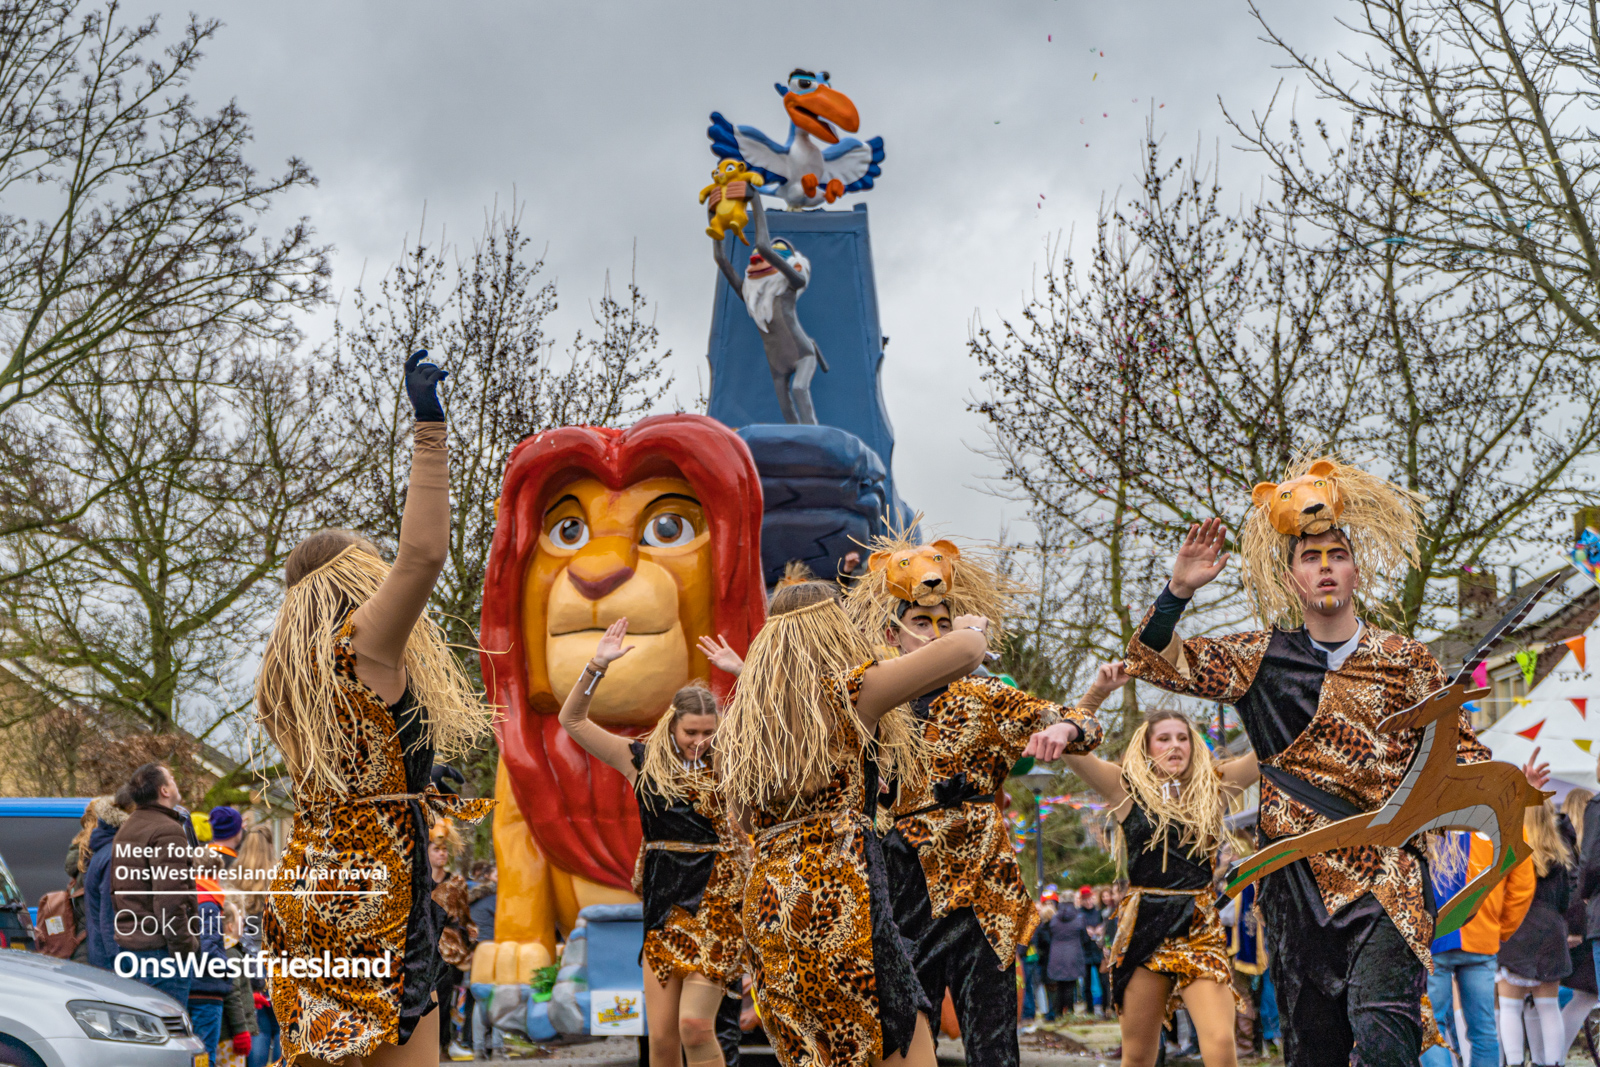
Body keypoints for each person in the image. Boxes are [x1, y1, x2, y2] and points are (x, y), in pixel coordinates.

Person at [1121, 457, 1500, 1067]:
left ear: (1355, 569)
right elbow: (1153, 659)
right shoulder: (1261, 657)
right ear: (1293, 576)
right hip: (1294, 880)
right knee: (1313, 1046)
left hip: (1387, 874)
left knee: (1386, 1039)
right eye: (1309, 558)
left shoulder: (1407, 661)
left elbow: (1460, 757)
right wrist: (1179, 591)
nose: (1325, 567)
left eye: (1337, 555)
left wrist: (1491, 789)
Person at [254, 350, 494, 1067]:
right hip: (370, 899)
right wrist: (429, 428)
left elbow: (363, 765)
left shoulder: (292, 684)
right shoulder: (356, 649)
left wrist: (419, 778)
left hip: (322, 886)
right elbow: (422, 555)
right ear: (357, 581)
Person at [841, 533, 1103, 1066]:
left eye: (945, 625)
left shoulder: (985, 696)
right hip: (902, 889)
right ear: (892, 633)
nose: (936, 636)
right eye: (921, 624)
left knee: (993, 1049)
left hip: (983, 891)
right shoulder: (872, 701)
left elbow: (1075, 721)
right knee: (906, 1046)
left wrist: (1071, 727)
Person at [718, 580, 989, 1067]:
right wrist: (970, 628)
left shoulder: (746, 724)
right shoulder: (848, 694)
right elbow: (966, 651)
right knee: (899, 1037)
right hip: (840, 892)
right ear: (830, 628)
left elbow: (739, 818)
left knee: (814, 1052)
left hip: (770, 902)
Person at [560, 619, 745, 1067]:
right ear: (672, 726)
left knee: (695, 1027)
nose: (700, 742)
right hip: (663, 907)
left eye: (708, 732)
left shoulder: (736, 760)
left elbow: (789, 722)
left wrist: (745, 673)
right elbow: (572, 720)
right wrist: (596, 666)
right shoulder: (639, 762)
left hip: (718, 904)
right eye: (691, 732)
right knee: (661, 1041)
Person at [1057, 665, 1259, 1067]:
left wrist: (1261, 691)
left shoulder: (1215, 788)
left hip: (1198, 925)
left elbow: (1267, 750)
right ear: (1147, 747)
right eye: (1164, 738)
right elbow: (1070, 748)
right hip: (1145, 925)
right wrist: (1097, 691)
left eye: (1183, 738)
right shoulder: (1124, 788)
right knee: (1139, 1055)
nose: (1175, 745)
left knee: (1220, 1044)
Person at [1419, 827, 1535, 1067]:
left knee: (1430, 1027)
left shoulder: (1427, 810)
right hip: (1481, 938)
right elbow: (1522, 886)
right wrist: (1501, 929)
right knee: (1483, 1029)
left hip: (1432, 939)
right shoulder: (1507, 817)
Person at [110, 762, 201, 1005]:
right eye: (171, 778)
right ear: (164, 790)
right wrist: (184, 949)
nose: (175, 782)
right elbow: (170, 899)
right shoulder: (167, 830)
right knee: (168, 1032)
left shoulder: (127, 828)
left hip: (130, 946)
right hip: (161, 952)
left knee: (139, 1031)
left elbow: (116, 890)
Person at [1497, 799, 1578, 1067]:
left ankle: (1516, 1062)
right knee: (1548, 1007)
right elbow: (1566, 901)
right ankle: (1554, 1063)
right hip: (1551, 931)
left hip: (1517, 930)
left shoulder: (1511, 849)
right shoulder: (1561, 853)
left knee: (1510, 1007)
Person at [233, 823, 282, 1067]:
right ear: (270, 844)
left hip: (247, 968)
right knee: (284, 1029)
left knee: (259, 1029)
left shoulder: (234, 876)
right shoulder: (280, 876)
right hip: (279, 965)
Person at [428, 819, 476, 1062]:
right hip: (422, 949)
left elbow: (465, 915)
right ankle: (427, 1047)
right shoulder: (419, 881)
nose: (442, 854)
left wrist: (471, 936)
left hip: (450, 950)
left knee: (446, 1000)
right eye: (437, 849)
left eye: (445, 849)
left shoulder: (456, 882)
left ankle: (445, 1044)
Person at [80, 791, 130, 970]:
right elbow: (110, 916)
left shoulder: (103, 851)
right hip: (112, 963)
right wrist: (122, 962)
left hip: (102, 956)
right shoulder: (115, 855)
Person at [1043, 893, 1089, 1021]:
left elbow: (1048, 934)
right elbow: (1085, 937)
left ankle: (1058, 1012)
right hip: (1074, 952)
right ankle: (1069, 1011)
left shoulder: (1054, 918)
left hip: (1056, 953)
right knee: (1070, 984)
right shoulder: (1079, 917)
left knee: (1059, 984)